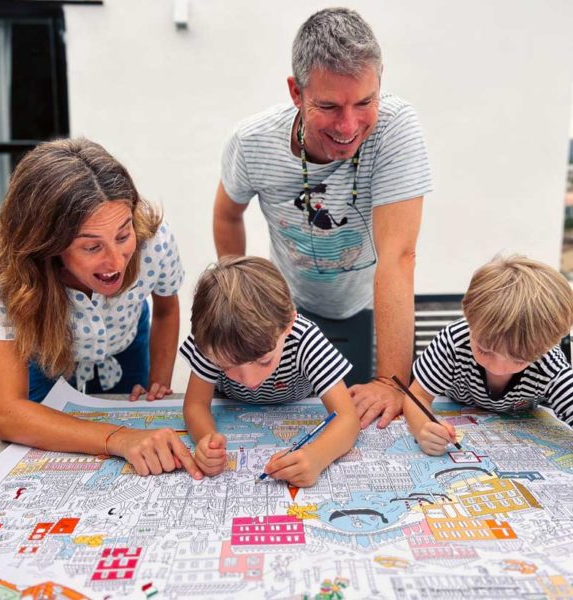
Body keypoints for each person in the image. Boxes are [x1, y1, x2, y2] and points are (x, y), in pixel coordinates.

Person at [213, 7, 432, 430]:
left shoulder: (397, 127)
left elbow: (399, 256)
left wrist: (391, 381)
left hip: (359, 305)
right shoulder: (251, 141)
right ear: (296, 92)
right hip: (288, 311)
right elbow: (227, 214)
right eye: (329, 106)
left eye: (365, 102)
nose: (349, 126)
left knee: (354, 418)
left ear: (380, 80)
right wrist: (236, 293)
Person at [0, 138, 202, 478]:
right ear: (47, 244)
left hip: (125, 345)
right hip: (42, 356)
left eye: (123, 236)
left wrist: (158, 383)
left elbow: (166, 310)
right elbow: (8, 414)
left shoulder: (154, 239)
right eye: (92, 246)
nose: (115, 262)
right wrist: (119, 438)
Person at [180, 256, 360, 487]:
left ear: (288, 326)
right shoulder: (213, 339)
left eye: (263, 361)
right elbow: (195, 404)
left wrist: (316, 457)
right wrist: (206, 439)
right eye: (226, 366)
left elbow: (346, 417)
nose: (249, 380)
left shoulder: (306, 339)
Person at [404, 256, 573, 455]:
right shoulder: (454, 341)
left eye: (518, 359)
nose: (497, 367)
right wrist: (423, 427)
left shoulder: (550, 364)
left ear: (545, 347)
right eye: (484, 349)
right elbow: (417, 396)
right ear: (470, 320)